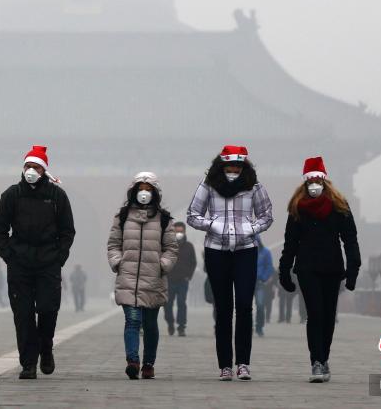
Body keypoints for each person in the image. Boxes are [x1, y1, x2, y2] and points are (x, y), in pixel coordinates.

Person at [187, 145, 274, 381]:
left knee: (245, 306)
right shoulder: (208, 185)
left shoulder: (254, 186)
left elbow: (266, 215)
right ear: (221, 166)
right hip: (217, 250)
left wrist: (252, 228)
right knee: (223, 309)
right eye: (229, 167)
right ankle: (225, 365)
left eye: (237, 166)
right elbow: (192, 215)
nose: (233, 171)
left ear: (244, 166)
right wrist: (212, 224)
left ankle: (243, 363)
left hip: (246, 250)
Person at [0, 145, 75, 380]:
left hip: (48, 263)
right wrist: (9, 255)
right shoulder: (12, 195)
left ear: (44, 170)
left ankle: (45, 348)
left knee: (48, 309)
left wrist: (59, 257)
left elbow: (67, 230)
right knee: (23, 315)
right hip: (20, 264)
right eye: (27, 166)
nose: (31, 171)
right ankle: (28, 363)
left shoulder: (57, 196)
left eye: (35, 167)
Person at [278, 157, 361, 383]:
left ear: (324, 181)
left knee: (328, 316)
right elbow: (290, 242)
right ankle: (316, 361)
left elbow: (350, 239)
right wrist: (284, 270)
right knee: (315, 314)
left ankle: (324, 358)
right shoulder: (297, 207)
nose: (314, 185)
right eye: (310, 181)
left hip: (332, 267)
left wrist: (353, 268)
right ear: (305, 182)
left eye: (317, 180)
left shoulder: (339, 205)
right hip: (307, 268)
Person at [107, 172, 178, 380]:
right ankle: (133, 361)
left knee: (150, 324)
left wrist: (162, 265)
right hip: (128, 277)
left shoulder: (163, 219)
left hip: (153, 279)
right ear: (134, 191)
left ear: (155, 193)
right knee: (132, 320)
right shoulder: (122, 217)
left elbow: (171, 248)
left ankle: (148, 363)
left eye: (148, 189)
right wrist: (117, 262)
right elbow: (113, 244)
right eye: (141, 189)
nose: (144, 193)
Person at [163, 221, 197, 336]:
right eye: (176, 231)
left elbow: (193, 262)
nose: (179, 234)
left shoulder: (189, 246)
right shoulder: (167, 246)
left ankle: (181, 327)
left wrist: (188, 276)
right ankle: (170, 323)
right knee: (167, 304)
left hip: (183, 280)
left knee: (182, 303)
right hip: (169, 279)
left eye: (180, 231)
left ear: (184, 232)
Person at [254, 236, 274, 337]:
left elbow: (269, 266)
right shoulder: (246, 252)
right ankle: (247, 327)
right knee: (245, 306)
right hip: (247, 282)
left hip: (259, 282)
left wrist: (264, 278)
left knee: (260, 306)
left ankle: (259, 327)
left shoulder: (266, 252)